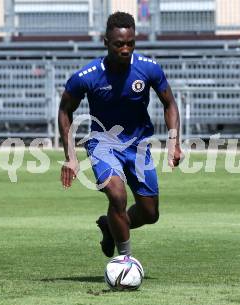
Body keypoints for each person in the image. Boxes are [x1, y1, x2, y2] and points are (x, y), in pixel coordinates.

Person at [58, 12, 182, 257]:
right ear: (106, 42)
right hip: (102, 144)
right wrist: (70, 156)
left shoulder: (148, 69)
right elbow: (64, 111)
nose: (125, 49)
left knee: (150, 213)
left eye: (130, 43)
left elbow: (170, 103)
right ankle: (125, 259)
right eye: (118, 44)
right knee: (117, 195)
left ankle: (109, 225)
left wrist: (173, 142)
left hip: (138, 146)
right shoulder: (87, 76)